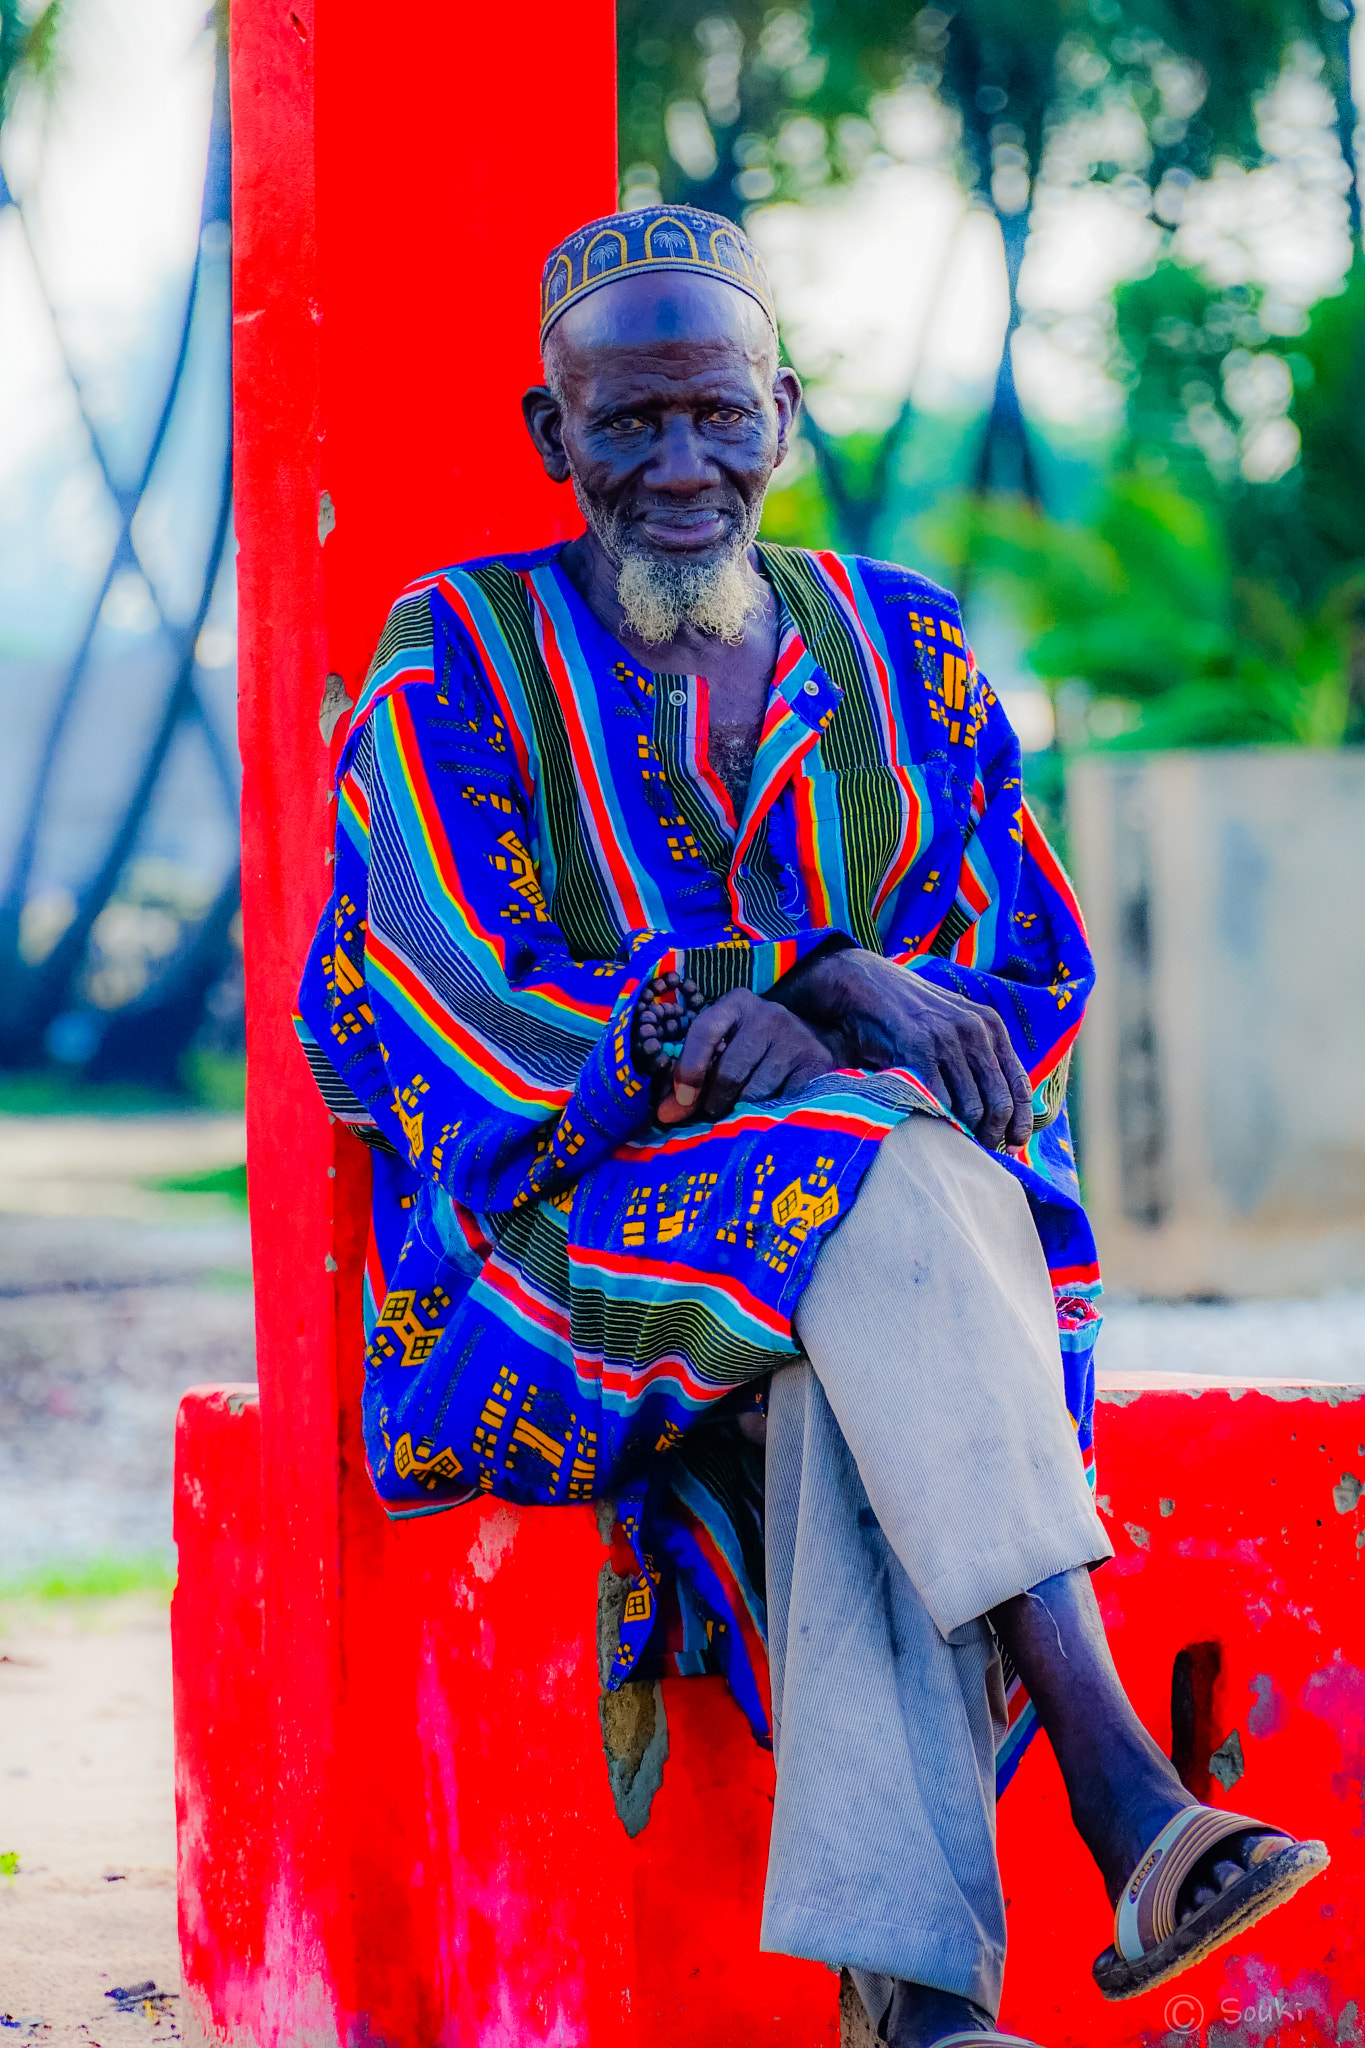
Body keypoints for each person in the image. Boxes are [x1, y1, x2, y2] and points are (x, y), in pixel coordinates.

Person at [296, 205, 1327, 2045]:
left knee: (839, 1336)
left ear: (782, 413)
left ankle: (923, 2002)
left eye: (714, 416)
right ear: (552, 438)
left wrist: (836, 1012)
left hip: (874, 1269)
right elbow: (443, 997)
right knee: (865, 1164)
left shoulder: (904, 651)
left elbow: (1016, 981)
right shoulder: (452, 655)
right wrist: (800, 986)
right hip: (553, 1280)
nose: (678, 467)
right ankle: (1117, 1786)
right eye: (624, 426)